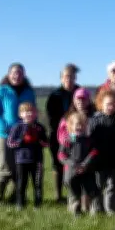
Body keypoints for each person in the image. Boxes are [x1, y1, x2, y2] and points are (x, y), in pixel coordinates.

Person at [0, 63, 37, 204]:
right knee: (4, 168)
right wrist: (3, 127)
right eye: (14, 72)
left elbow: (33, 112)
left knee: (19, 168)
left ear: (24, 75)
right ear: (9, 74)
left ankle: (15, 197)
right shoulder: (1, 91)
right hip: (3, 136)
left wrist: (33, 129)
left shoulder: (29, 92)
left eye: (20, 73)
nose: (17, 75)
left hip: (24, 136)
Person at [46, 63, 80, 203]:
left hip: (78, 134)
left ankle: (78, 193)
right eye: (66, 77)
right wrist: (63, 131)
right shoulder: (54, 95)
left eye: (71, 77)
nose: (69, 79)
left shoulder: (80, 92)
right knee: (58, 164)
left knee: (77, 162)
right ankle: (58, 195)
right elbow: (51, 117)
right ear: (61, 78)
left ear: (75, 77)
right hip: (57, 135)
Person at [88, 90, 115, 215]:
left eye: (113, 104)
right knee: (97, 186)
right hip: (97, 160)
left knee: (111, 186)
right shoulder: (94, 121)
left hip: (113, 160)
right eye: (108, 104)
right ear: (101, 104)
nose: (110, 107)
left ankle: (110, 209)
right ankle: (96, 208)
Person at [6, 103, 48, 209]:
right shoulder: (17, 127)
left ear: (36, 114)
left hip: (37, 160)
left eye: (31, 111)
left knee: (37, 183)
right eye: (25, 112)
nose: (29, 114)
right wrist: (22, 140)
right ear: (20, 114)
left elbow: (46, 143)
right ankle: (20, 203)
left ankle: (38, 204)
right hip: (22, 160)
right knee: (21, 183)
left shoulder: (39, 127)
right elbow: (10, 143)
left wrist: (39, 141)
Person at [57, 112, 99, 216]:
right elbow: (61, 155)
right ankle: (75, 208)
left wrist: (85, 164)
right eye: (77, 124)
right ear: (70, 126)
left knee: (90, 189)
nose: (79, 127)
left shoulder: (88, 140)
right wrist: (73, 164)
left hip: (87, 170)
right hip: (71, 172)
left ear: (85, 126)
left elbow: (94, 152)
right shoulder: (67, 140)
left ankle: (92, 209)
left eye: (82, 124)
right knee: (74, 192)